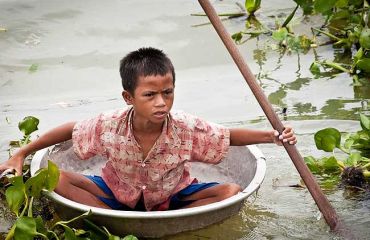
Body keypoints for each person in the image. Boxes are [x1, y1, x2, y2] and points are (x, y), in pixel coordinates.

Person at [0, 47, 297, 211]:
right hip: (116, 193)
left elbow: (229, 137)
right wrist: (22, 153)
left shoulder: (185, 128)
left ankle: (160, 218)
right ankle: (112, 216)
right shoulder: (110, 124)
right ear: (129, 98)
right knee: (51, 177)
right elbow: (70, 129)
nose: (161, 103)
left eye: (167, 93)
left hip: (172, 196)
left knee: (230, 191)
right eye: (150, 95)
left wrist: (273, 136)